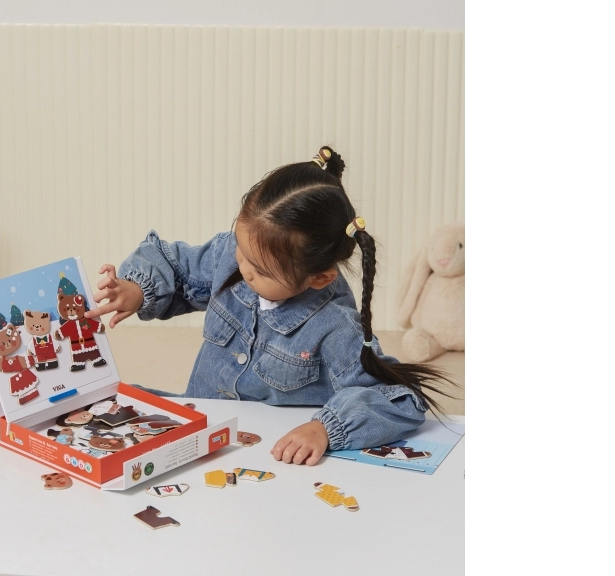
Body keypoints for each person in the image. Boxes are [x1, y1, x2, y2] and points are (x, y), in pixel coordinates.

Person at [86, 146, 457, 466]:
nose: (242, 268)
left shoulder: (335, 326)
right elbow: (178, 265)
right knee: (102, 406)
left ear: (319, 278)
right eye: (241, 249)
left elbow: (400, 400)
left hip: (264, 456)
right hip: (200, 429)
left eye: (261, 270)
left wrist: (326, 429)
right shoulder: (232, 255)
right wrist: (137, 287)